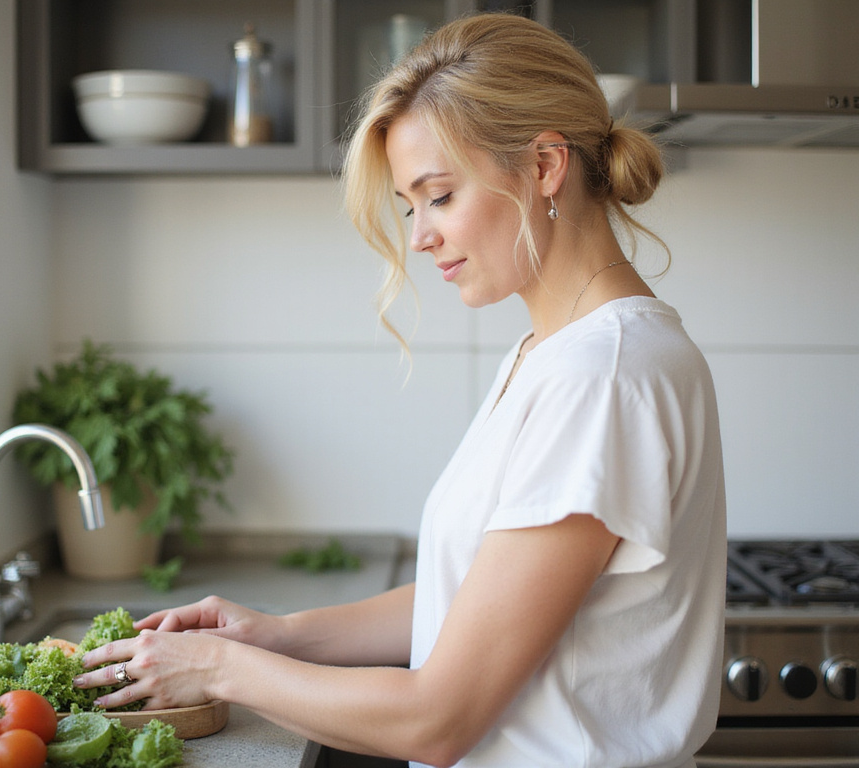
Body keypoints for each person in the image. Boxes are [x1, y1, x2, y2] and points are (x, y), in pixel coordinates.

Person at [75, 12, 727, 768]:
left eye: (439, 195)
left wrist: (221, 669)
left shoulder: (603, 375)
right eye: (409, 206)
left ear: (546, 166)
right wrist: (274, 634)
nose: (419, 237)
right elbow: (477, 603)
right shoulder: (558, 353)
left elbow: (437, 720)